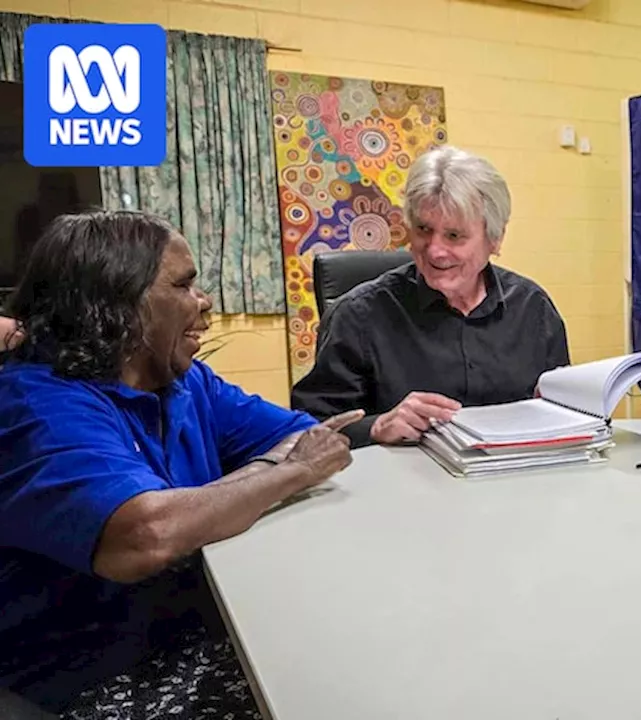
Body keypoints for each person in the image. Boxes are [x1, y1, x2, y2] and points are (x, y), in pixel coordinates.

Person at [0, 211, 361, 715]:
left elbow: (306, 435)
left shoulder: (184, 380)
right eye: (185, 285)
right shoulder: (37, 405)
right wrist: (289, 473)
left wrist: (231, 492)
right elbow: (144, 535)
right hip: (92, 678)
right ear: (118, 303)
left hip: (197, 628)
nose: (204, 300)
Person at [291, 145, 570, 448]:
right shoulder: (358, 316)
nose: (435, 250)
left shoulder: (532, 309)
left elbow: (565, 406)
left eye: (454, 236)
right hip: (403, 488)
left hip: (520, 482)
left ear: (495, 238)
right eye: (424, 229)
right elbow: (311, 431)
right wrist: (376, 427)